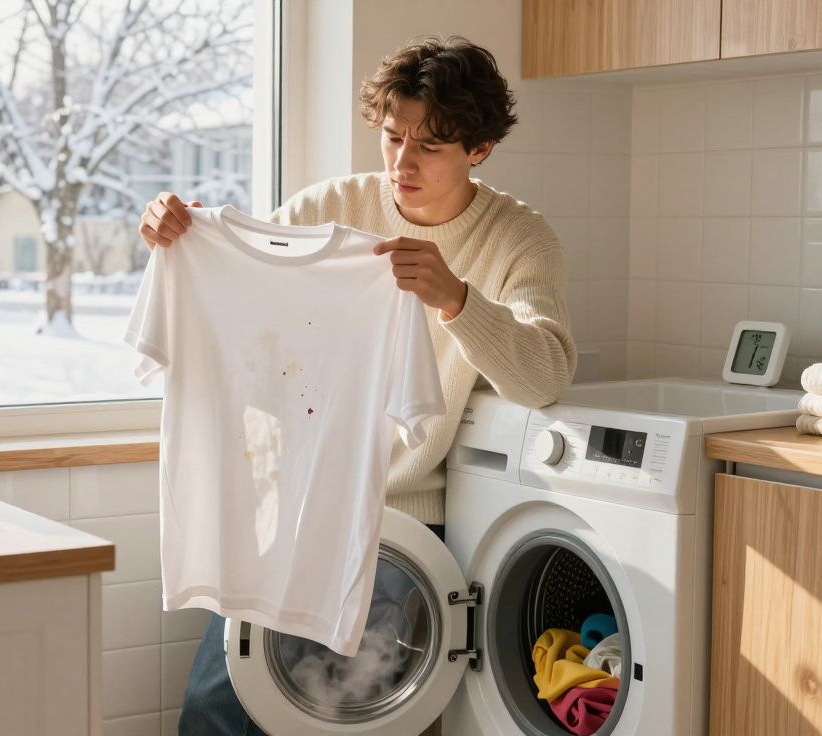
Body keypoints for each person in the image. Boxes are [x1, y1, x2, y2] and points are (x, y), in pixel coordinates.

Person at [138, 35, 576, 735]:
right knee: (219, 708)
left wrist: (456, 298)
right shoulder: (329, 208)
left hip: (401, 526)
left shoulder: (519, 240)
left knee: (344, 716)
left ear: (479, 149)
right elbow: (236, 303)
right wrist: (180, 238)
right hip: (289, 507)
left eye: (430, 145)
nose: (403, 162)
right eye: (393, 136)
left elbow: (546, 376)